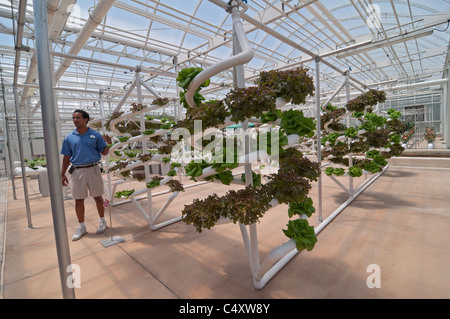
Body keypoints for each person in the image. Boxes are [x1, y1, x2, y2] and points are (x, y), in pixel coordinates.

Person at [60, 109, 112, 241]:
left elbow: (104, 152)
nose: (75, 120)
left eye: (78, 117)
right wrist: (62, 174)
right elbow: (67, 157)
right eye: (73, 118)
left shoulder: (95, 135)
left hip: (93, 169)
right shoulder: (69, 137)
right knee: (78, 199)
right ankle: (81, 226)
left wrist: (109, 143)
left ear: (85, 119)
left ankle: (102, 221)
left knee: (98, 197)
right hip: (77, 171)